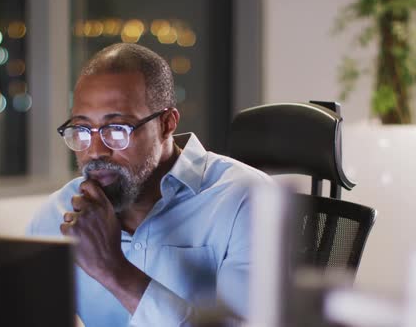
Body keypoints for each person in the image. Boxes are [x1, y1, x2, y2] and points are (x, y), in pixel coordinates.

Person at [26, 43, 271, 326]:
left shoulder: (245, 200)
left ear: (167, 124)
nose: (94, 151)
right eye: (82, 130)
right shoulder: (57, 214)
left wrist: (113, 270)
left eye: (116, 130)